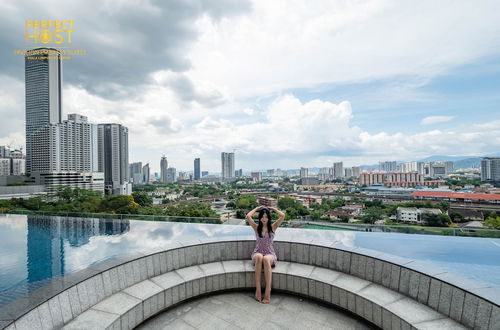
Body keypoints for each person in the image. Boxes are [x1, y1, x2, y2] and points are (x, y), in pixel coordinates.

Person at [246, 205, 285, 304]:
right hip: (257, 252)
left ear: (269, 218)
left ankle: (268, 291)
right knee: (259, 257)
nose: (264, 219)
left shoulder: (273, 227)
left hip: (269, 254)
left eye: (266, 217)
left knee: (266, 259)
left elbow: (283, 216)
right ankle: (258, 289)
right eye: (262, 217)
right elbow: (248, 216)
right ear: (260, 218)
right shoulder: (256, 227)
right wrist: (256, 208)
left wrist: (273, 209)